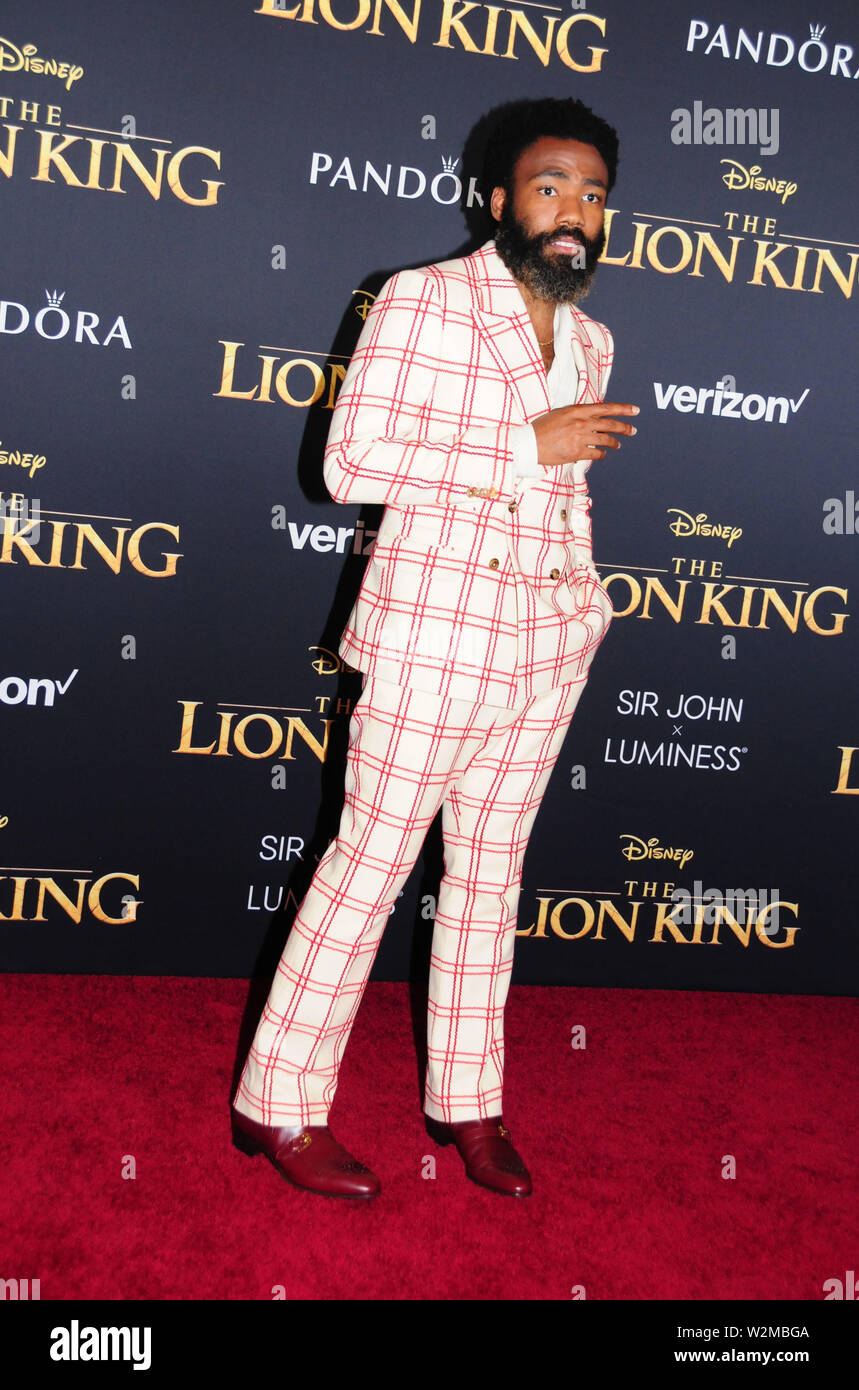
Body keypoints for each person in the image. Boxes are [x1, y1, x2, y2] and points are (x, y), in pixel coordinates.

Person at [232, 97, 638, 1199]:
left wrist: (584, 606)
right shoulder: (422, 299)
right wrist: (520, 441)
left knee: (490, 882)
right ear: (499, 199)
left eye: (593, 193)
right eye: (550, 186)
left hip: (548, 649)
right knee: (366, 871)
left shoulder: (591, 335)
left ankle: (468, 1099)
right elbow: (350, 461)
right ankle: (280, 1103)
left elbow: (560, 498)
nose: (573, 212)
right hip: (431, 640)